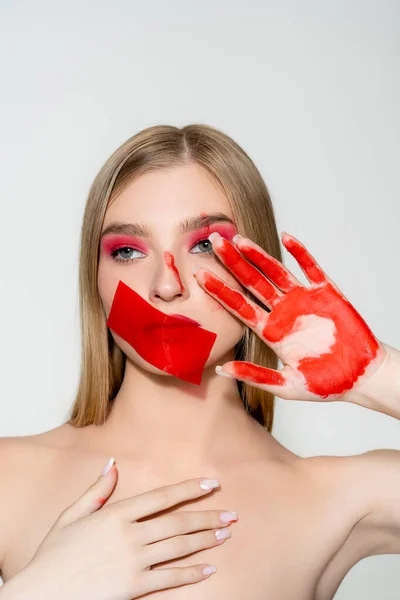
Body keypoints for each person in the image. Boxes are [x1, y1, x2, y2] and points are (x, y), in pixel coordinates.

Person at [0, 123, 399, 600]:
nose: (167, 286)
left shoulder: (338, 497)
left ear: (262, 265)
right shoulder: (9, 478)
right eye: (127, 251)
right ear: (95, 280)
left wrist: (379, 376)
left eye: (205, 246)